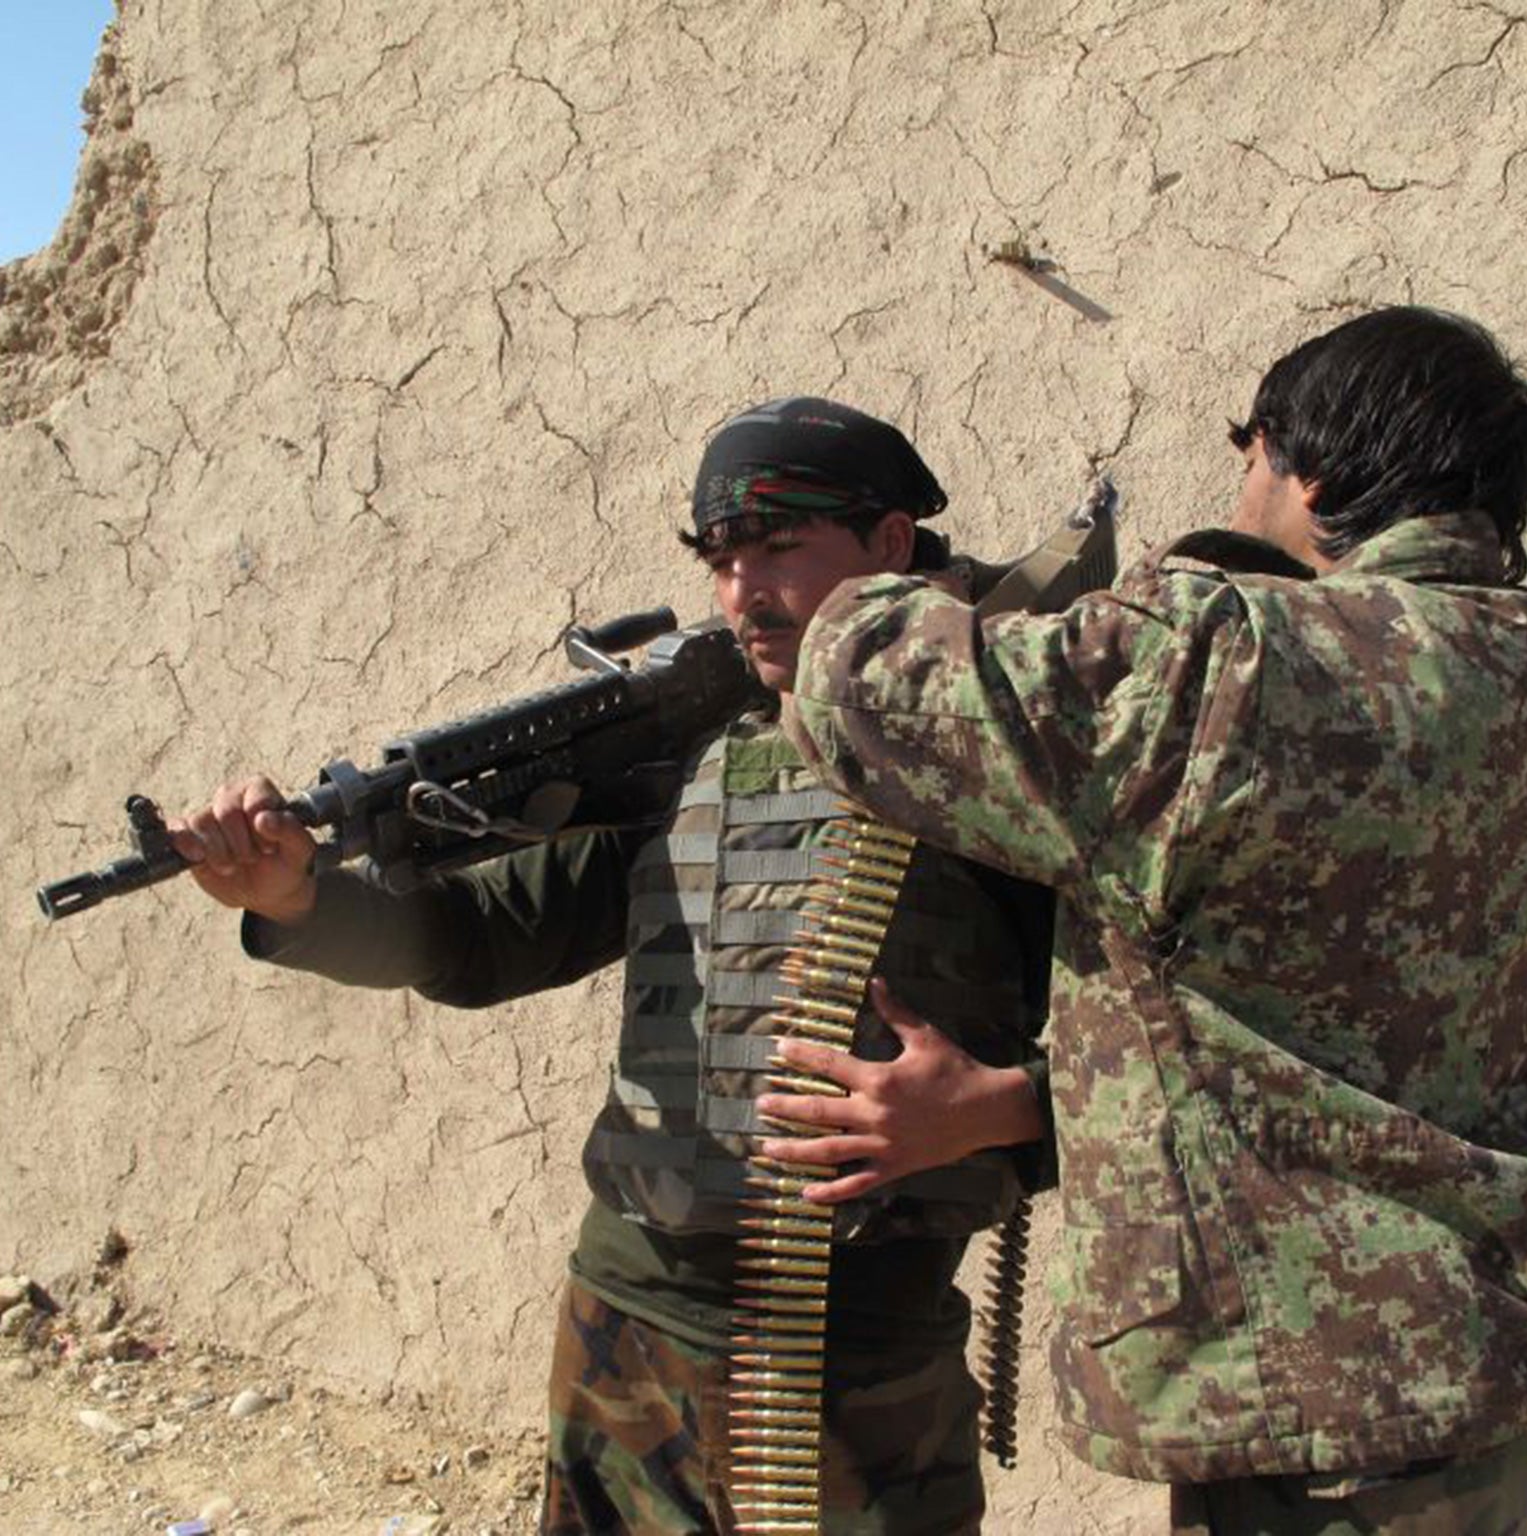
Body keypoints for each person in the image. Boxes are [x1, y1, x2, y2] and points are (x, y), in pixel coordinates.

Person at [778, 309, 1527, 1532]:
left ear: (1317, 468)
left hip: (1340, 1437)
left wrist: (891, 586)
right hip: (1514, 1387)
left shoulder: (1232, 654)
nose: (1239, 483)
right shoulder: (1525, 657)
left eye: (1250, 450)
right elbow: (1300, 1011)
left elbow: (868, 687)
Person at [168, 396, 1054, 1535]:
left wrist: (1005, 1110)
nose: (743, 591)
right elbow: (476, 939)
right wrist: (294, 897)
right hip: (624, 1318)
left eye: (781, 547)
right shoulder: (686, 760)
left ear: (889, 544)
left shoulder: (1014, 756)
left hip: (849, 1351)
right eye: (723, 558)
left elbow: (1181, 1045)